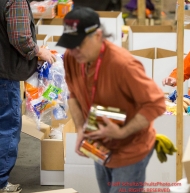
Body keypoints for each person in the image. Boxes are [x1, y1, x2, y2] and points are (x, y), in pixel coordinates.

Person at [56, 7, 166, 193]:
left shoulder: (123, 65)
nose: (73, 51)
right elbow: (73, 94)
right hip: (100, 145)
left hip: (131, 149)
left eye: (78, 44)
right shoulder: (72, 58)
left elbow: (156, 103)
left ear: (98, 36)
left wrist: (122, 132)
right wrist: (82, 128)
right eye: (69, 44)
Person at [0, 0, 56, 192]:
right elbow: (21, 38)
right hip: (4, 74)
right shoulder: (15, 1)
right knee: (8, 126)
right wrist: (39, 51)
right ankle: (1, 182)